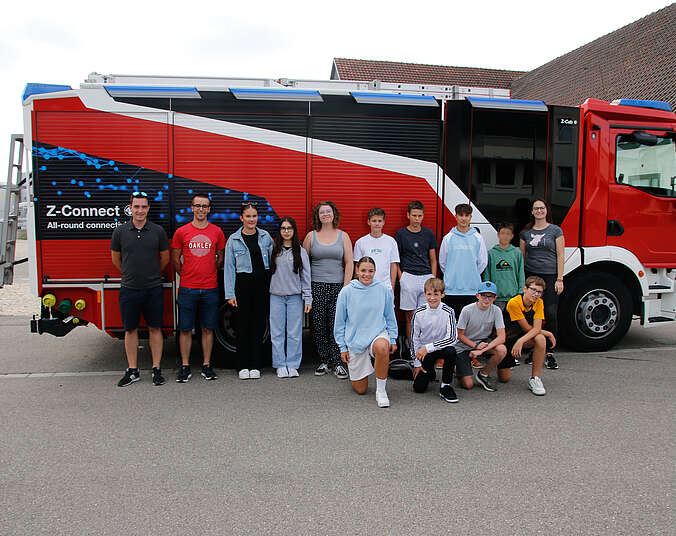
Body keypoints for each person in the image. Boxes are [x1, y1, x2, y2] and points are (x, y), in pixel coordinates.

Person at [111, 191, 170, 387]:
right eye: (136, 206)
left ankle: (156, 369)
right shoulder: (120, 231)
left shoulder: (158, 231)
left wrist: (151, 274)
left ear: (148, 208)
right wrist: (130, 274)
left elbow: (165, 258)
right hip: (129, 288)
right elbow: (116, 259)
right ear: (130, 208)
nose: (140, 210)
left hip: (153, 288)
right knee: (130, 330)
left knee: (155, 328)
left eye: (144, 206)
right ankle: (133, 370)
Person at [171, 193, 225, 383]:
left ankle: (206, 365)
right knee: (185, 329)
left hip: (210, 288)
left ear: (209, 209)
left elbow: (220, 257)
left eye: (205, 206)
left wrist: (209, 271)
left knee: (208, 329)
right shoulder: (181, 232)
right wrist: (185, 275)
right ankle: (185, 366)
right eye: (198, 206)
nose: (201, 209)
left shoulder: (217, 232)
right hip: (187, 288)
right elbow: (175, 259)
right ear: (192, 208)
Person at [334, 257, 398, 408]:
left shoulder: (383, 290)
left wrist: (393, 339)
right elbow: (339, 322)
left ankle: (381, 391)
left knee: (382, 348)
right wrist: (342, 347)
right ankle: (367, 365)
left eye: (370, 271)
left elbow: (390, 316)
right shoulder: (347, 291)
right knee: (361, 390)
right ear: (357, 270)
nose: (367, 274)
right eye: (363, 270)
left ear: (375, 272)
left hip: (377, 334)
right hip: (355, 340)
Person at [303, 201, 353, 379]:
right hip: (316, 285)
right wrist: (306, 288)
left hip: (338, 286)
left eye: (328, 211)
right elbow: (303, 263)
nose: (325, 214)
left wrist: (346, 287)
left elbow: (349, 262)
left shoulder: (343, 236)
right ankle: (324, 361)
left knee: (336, 325)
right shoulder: (311, 237)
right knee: (319, 324)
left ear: (334, 214)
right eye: (322, 212)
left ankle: (338, 362)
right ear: (318, 216)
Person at [224, 201, 273, 380]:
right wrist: (230, 294)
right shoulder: (234, 239)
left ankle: (255, 365)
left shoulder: (266, 237)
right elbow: (229, 268)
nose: (251, 219)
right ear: (241, 218)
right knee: (242, 327)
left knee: (258, 327)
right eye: (248, 216)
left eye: (254, 216)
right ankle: (242, 365)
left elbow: (274, 263)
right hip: (242, 287)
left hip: (262, 287)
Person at [519, 199, 564, 370]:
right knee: (532, 314)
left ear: (546, 210)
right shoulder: (525, 234)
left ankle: (550, 353)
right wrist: (522, 281)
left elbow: (560, 255)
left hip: (550, 276)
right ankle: (535, 348)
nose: (539, 211)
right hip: (531, 276)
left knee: (551, 312)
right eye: (536, 208)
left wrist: (560, 279)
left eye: (542, 208)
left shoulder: (555, 231)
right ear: (532, 212)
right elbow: (522, 258)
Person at [269, 217, 312, 378]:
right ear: (279, 231)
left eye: (289, 228)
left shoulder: (300, 251)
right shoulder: (273, 249)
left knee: (294, 333)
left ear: (294, 231)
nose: (286, 231)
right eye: (283, 228)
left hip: (294, 297)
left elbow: (305, 276)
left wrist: (308, 299)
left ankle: (293, 364)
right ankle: (280, 364)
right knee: (277, 332)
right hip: (276, 296)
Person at [504, 276, 557, 396]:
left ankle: (535, 378)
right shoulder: (514, 303)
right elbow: (527, 328)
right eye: (533, 290)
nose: (536, 294)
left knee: (540, 339)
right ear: (525, 289)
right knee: (504, 378)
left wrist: (522, 341)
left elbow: (537, 329)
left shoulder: (539, 303)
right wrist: (548, 333)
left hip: (521, 339)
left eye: (539, 292)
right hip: (508, 340)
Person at [395, 200, 438, 349]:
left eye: (419, 215)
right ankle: (412, 347)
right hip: (409, 277)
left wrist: (432, 278)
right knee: (410, 316)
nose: (416, 218)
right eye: (414, 215)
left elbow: (433, 258)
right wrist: (402, 278)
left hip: (426, 277)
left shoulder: (428, 233)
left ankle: (425, 348)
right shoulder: (401, 234)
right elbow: (396, 259)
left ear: (423, 216)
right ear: (408, 215)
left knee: (425, 316)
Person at [410, 278, 459, 403]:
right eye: (429, 294)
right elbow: (414, 338)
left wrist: (429, 347)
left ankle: (446, 385)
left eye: (436, 294)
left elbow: (452, 338)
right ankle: (429, 370)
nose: (432, 298)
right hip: (424, 352)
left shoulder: (449, 311)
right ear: (425, 294)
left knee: (451, 351)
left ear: (442, 294)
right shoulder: (419, 312)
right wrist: (417, 363)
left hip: (440, 348)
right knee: (419, 388)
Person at [453, 281, 508, 393]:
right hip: (463, 345)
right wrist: (476, 346)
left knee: (502, 349)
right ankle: (457, 367)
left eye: (490, 296)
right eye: (483, 295)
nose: (487, 299)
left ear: (495, 298)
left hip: (482, 343)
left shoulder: (496, 310)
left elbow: (502, 337)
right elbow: (459, 335)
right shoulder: (467, 310)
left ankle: (483, 374)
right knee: (468, 385)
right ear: (477, 295)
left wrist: (481, 349)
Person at [438, 203, 488, 318]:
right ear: (456, 216)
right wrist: (452, 274)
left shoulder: (478, 238)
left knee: (470, 322)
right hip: (451, 289)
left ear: (470, 217)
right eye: (461, 215)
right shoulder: (448, 238)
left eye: (467, 215)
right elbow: (443, 262)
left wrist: (471, 274)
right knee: (451, 320)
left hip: (472, 288)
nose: (463, 218)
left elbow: (483, 262)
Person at [353, 207, 400, 291]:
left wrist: (392, 287)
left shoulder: (391, 241)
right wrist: (360, 285)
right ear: (368, 222)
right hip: (365, 286)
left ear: (383, 222)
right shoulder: (360, 242)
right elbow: (357, 266)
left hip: (385, 287)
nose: (377, 224)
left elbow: (393, 265)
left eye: (379, 221)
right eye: (374, 221)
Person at [483, 222, 525, 311]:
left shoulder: (517, 253)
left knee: (513, 323)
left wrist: (520, 291)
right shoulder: (491, 253)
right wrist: (488, 291)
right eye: (503, 233)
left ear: (512, 236)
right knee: (496, 322)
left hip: (513, 296)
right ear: (498, 235)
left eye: (508, 234)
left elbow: (521, 273)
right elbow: (487, 275)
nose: (505, 236)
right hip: (496, 297)